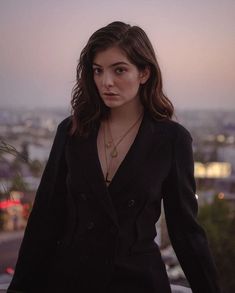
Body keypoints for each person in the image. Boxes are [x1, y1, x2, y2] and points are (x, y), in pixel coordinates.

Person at [8, 21, 221, 293]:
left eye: (119, 70)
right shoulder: (72, 131)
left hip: (138, 283)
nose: (106, 82)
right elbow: (44, 219)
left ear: (144, 72)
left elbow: (185, 230)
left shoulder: (172, 140)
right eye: (98, 71)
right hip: (69, 281)